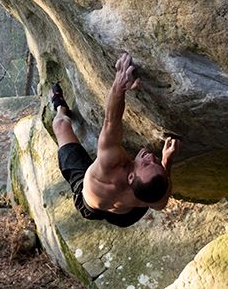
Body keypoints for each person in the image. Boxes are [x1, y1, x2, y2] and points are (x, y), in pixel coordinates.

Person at [51, 53, 180, 227]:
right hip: (124, 214)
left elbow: (111, 122)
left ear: (131, 177)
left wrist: (119, 85)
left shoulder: (110, 164)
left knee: (60, 125)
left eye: (147, 164)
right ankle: (61, 107)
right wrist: (167, 161)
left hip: (89, 205)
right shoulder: (149, 196)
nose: (151, 156)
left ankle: (58, 105)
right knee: (158, 183)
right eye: (156, 162)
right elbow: (160, 203)